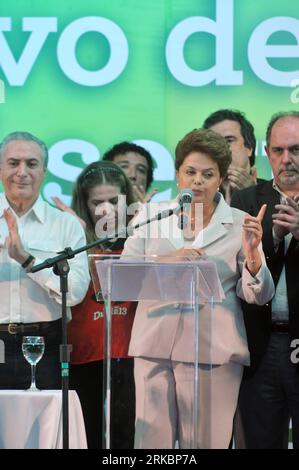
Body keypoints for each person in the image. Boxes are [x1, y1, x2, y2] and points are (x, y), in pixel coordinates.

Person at [122, 128, 274, 449]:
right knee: (152, 446)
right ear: (178, 175)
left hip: (213, 353)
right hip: (154, 349)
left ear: (220, 179)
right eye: (190, 172)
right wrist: (167, 260)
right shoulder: (150, 216)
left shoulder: (241, 222)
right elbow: (124, 280)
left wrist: (252, 259)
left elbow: (259, 295)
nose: (197, 181)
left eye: (208, 174)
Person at [56, 161, 138, 449]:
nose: (107, 210)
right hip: (83, 355)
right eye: (97, 202)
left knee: (125, 438)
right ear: (84, 204)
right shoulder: (69, 237)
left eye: (115, 201)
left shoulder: (143, 236)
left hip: (130, 355)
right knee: (85, 436)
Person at [0, 131, 89, 390]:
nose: (22, 172)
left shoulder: (65, 225)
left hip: (44, 345)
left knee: (44, 427)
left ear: (45, 172)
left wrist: (28, 261)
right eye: (13, 163)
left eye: (32, 164)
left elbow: (75, 293)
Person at [231, 111, 299, 449]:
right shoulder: (245, 202)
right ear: (267, 153)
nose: (286, 159)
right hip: (260, 345)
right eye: (278, 150)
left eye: (296, 150)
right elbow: (237, 273)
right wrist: (270, 236)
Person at [203, 109, 262, 203]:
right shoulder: (198, 198)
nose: (221, 149)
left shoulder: (274, 194)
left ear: (249, 147)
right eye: (214, 143)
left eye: (229, 140)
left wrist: (253, 197)